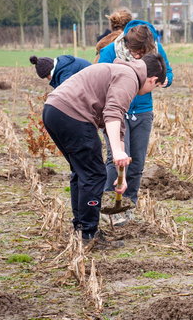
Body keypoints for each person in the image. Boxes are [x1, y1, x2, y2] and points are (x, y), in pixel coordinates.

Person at [42, 53, 166, 246]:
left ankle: (82, 227)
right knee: (94, 175)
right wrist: (117, 152)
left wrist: (120, 175)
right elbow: (113, 112)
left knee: (82, 171)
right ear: (152, 79)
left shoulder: (121, 72)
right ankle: (89, 235)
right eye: (155, 87)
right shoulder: (129, 77)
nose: (152, 90)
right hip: (72, 114)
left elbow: (119, 125)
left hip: (54, 110)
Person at [99, 20, 173, 223]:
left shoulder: (156, 49)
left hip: (143, 111)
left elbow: (169, 71)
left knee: (137, 162)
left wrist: (166, 80)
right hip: (117, 111)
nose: (139, 56)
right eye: (136, 52)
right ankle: (108, 206)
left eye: (143, 52)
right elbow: (100, 76)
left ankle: (128, 205)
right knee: (117, 159)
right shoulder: (110, 51)